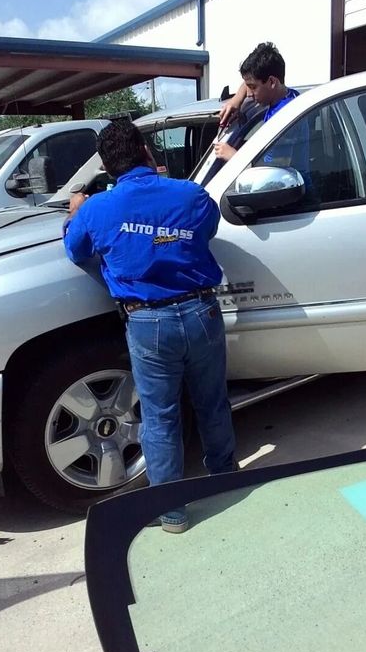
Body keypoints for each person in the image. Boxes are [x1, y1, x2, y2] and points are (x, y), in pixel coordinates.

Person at [63, 120, 236, 534]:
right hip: (201, 313)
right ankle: (228, 480)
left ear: (106, 165)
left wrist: (75, 213)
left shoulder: (97, 209)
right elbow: (208, 229)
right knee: (212, 402)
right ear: (145, 150)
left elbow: (75, 251)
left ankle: (172, 512)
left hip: (147, 322)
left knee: (160, 417)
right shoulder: (191, 194)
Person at [214, 41, 303, 164]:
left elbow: (272, 170)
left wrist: (234, 157)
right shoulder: (291, 96)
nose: (249, 94)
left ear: (272, 82)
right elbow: (249, 83)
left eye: (253, 87)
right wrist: (236, 99)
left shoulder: (283, 119)